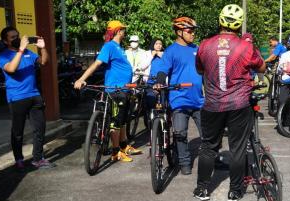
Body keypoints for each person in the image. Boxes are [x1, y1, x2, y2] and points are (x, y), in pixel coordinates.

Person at [194, 4, 265, 201]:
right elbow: (262, 67)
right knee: (238, 148)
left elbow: (200, 70)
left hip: (213, 104)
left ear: (220, 21)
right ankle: (234, 191)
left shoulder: (205, 44)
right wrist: (251, 45)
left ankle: (202, 189)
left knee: (208, 146)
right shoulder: (246, 46)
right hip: (239, 104)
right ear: (239, 24)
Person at [74, 20, 141, 162]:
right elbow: (96, 64)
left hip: (124, 89)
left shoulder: (119, 47)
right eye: (123, 29)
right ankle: (116, 152)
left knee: (122, 120)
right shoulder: (109, 46)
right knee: (116, 122)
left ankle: (123, 146)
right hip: (115, 89)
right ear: (117, 31)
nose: (124, 31)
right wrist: (81, 79)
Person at [151, 17, 204, 175]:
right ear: (179, 32)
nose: (193, 34)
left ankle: (213, 160)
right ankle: (184, 162)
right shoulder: (171, 51)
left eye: (194, 31)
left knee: (208, 135)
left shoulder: (198, 49)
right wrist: (160, 82)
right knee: (180, 134)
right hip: (179, 99)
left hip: (199, 100)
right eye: (190, 31)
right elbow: (162, 70)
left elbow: (206, 69)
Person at [0, 26, 55, 169]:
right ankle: (19, 159)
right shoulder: (3, 56)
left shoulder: (29, 53)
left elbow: (44, 62)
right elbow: (11, 69)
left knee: (40, 128)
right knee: (18, 131)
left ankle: (38, 158)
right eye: (12, 37)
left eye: (17, 35)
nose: (16, 39)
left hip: (34, 95)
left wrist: (42, 48)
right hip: (17, 98)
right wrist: (21, 50)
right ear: (5, 41)